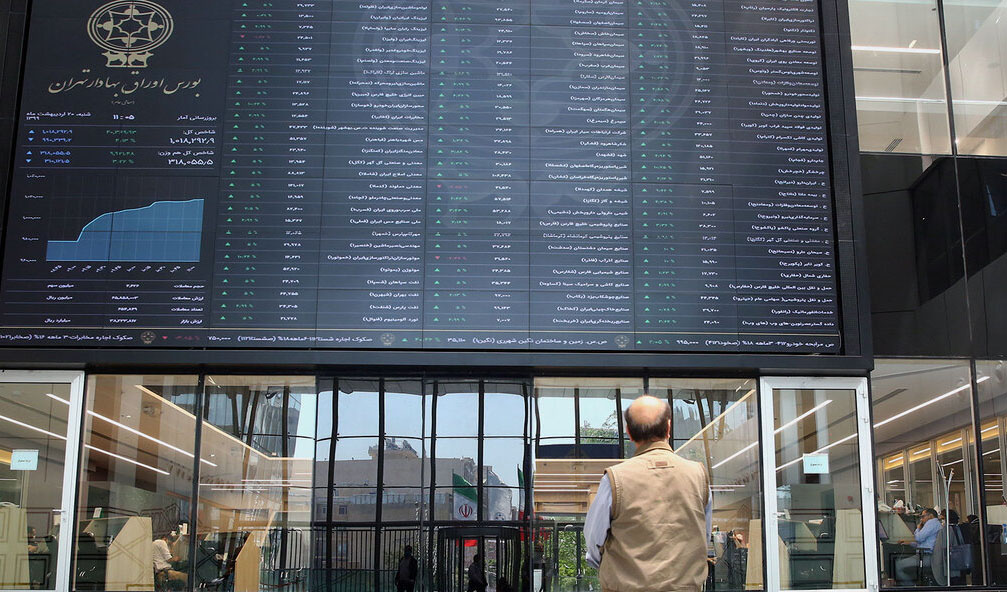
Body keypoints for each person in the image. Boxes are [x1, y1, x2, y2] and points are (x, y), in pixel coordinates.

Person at [584, 395, 713, 592]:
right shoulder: (699, 475)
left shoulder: (614, 479)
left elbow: (594, 541)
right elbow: (704, 536)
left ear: (629, 433)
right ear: (668, 428)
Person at [894, 507, 941, 585]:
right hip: (929, 555)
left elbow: (918, 538)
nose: (921, 519)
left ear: (930, 516)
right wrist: (909, 543)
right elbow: (923, 543)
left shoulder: (932, 523)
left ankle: (909, 586)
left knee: (897, 565)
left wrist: (918, 528)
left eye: (923, 516)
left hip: (926, 557)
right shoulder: (937, 524)